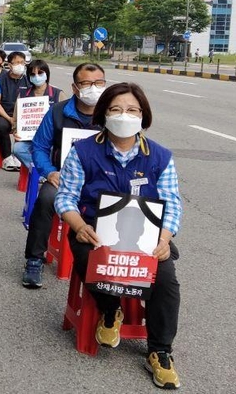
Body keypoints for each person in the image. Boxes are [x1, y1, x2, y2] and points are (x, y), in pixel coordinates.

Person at [55, 82, 183, 389]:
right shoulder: (83, 152)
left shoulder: (160, 157)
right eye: (116, 109)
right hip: (95, 232)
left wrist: (164, 241)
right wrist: (79, 226)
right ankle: (110, 309)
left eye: (132, 110)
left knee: (165, 279)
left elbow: (172, 204)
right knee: (92, 260)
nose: (124, 115)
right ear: (103, 114)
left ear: (143, 116)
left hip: (146, 238)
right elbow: (65, 199)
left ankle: (160, 351)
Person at [20, 63, 105, 289]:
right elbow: (38, 147)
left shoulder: (110, 114)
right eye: (87, 84)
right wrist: (49, 172)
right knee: (47, 198)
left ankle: (107, 263)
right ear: (75, 88)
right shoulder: (58, 112)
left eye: (99, 83)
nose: (94, 89)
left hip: (101, 181)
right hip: (64, 179)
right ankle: (34, 260)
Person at [11, 59, 65, 168]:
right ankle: (41, 171)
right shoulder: (23, 95)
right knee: (17, 149)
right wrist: (16, 131)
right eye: (33, 74)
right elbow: (16, 118)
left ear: (47, 74)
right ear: (29, 77)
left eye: (40, 73)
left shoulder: (58, 94)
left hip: (51, 139)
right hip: (29, 139)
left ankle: (45, 171)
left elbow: (66, 119)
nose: (37, 76)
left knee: (55, 152)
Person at [0, 51, 31, 171]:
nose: (20, 65)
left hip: (23, 116)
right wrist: (9, 118)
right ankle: (7, 157)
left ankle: (20, 156)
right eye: (17, 62)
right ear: (9, 64)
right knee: (1, 125)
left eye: (22, 63)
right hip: (5, 114)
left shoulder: (28, 81)